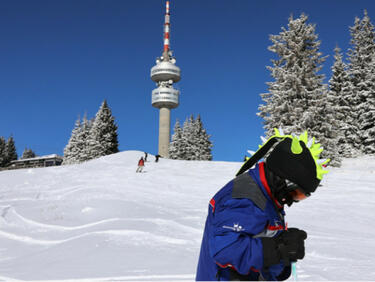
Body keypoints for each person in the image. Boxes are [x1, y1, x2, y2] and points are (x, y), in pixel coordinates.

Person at [196, 129, 330, 281]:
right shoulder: (245, 197)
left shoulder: (269, 197)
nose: (294, 201)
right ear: (283, 180)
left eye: (301, 197)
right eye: (296, 193)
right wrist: (278, 248)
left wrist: (285, 254)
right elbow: (225, 249)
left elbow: (264, 255)